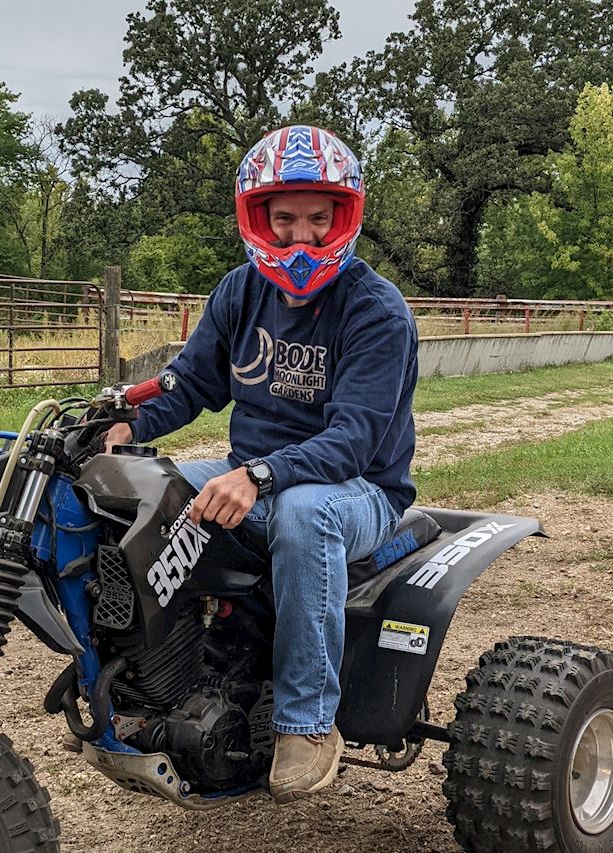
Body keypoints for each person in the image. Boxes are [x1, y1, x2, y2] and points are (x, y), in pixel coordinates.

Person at [106, 124, 418, 803]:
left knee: (306, 515)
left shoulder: (377, 311)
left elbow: (354, 440)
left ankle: (307, 723)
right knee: (143, 490)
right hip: (258, 474)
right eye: (284, 221)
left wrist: (258, 476)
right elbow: (190, 386)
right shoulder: (239, 292)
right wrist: (126, 423)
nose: (300, 239)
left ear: (345, 217)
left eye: (317, 219)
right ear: (258, 220)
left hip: (358, 489)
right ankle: (153, 682)